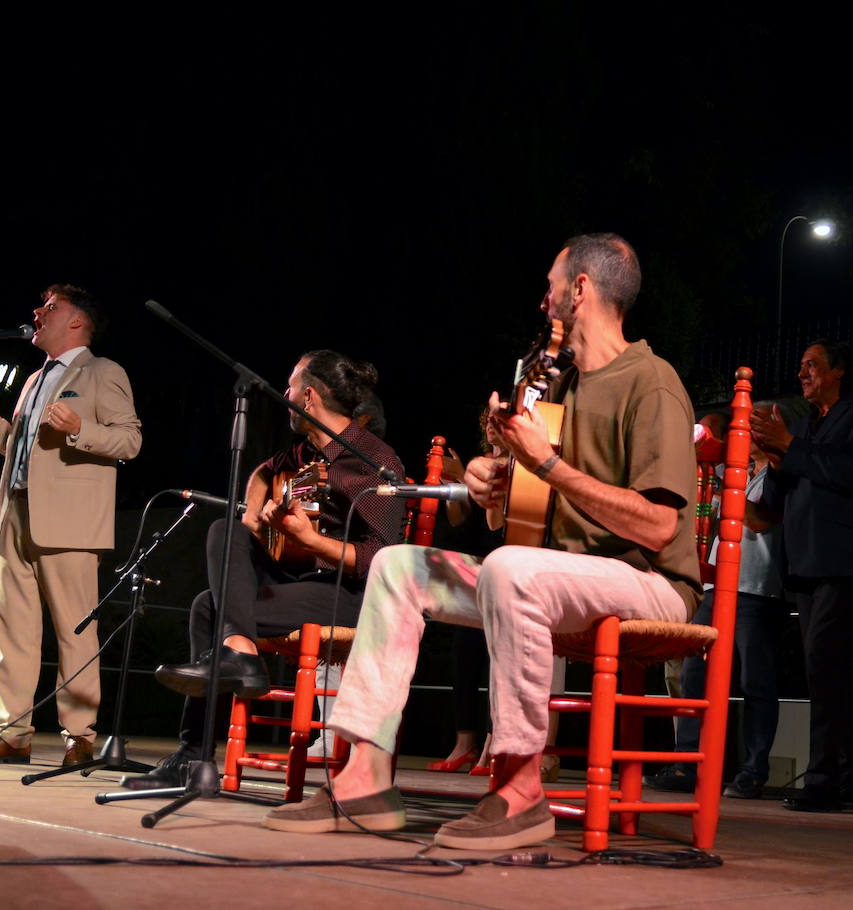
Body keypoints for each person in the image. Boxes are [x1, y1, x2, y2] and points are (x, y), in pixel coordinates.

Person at [260, 233, 703, 851]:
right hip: (558, 578)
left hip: (649, 585)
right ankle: (364, 779)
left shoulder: (650, 381)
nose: (542, 299)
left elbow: (659, 526)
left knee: (512, 570)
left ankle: (521, 786)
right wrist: (491, 487)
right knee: (396, 566)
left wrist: (546, 465)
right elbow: (526, 520)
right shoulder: (561, 389)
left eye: (551, 284)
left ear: (581, 290)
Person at [122, 350, 405, 789]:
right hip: (299, 581)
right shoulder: (306, 453)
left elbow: (381, 556)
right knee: (225, 531)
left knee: (207, 608)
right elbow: (263, 471)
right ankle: (241, 655)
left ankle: (193, 756)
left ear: (308, 397)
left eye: (290, 386)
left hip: (351, 595)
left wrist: (310, 541)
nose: (284, 393)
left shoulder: (370, 460)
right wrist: (254, 515)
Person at [0, 284, 142, 765]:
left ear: (78, 321)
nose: (37, 313)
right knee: (12, 630)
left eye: (50, 307)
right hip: (16, 512)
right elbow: (23, 454)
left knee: (74, 630)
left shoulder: (104, 372)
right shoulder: (33, 380)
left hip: (71, 522)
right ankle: (11, 732)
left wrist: (79, 429)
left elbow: (129, 442)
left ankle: (80, 735)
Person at [752, 339, 853, 812]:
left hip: (848, 563)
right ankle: (849, 780)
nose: (802, 374)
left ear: (838, 371)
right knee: (827, 672)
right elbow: (774, 499)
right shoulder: (809, 424)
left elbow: (851, 473)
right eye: (800, 366)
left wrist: (790, 446)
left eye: (811, 365)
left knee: (825, 664)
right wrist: (775, 457)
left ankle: (825, 778)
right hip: (809, 566)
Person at [645, 433, 785, 799]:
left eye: (757, 426)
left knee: (755, 683)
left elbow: (761, 521)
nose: (749, 433)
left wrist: (724, 492)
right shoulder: (726, 469)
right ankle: (687, 763)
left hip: (756, 587)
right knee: (693, 674)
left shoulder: (779, 474)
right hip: (714, 585)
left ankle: (753, 770)